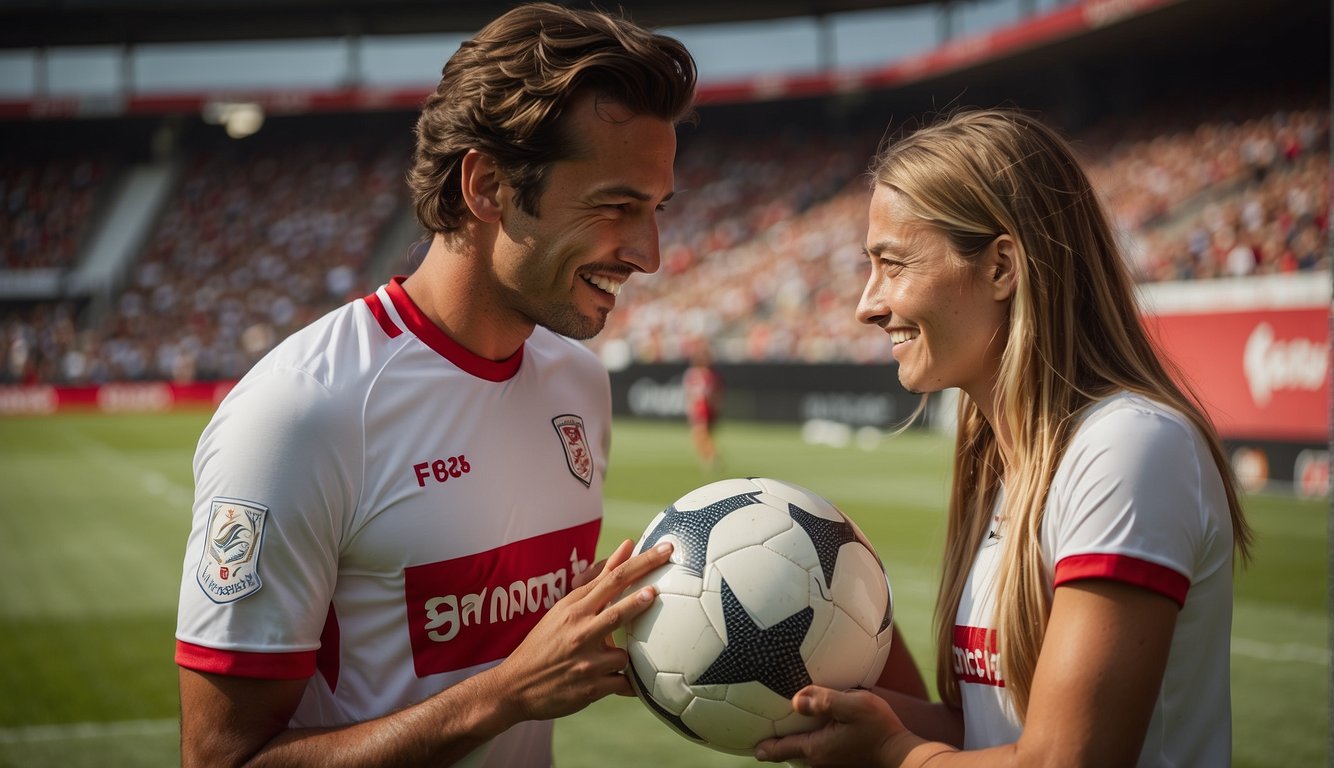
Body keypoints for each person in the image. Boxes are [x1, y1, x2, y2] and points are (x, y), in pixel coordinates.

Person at [173, 5, 696, 767]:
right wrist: (504, 693)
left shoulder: (580, 384)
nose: (649, 254)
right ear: (488, 186)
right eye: (616, 206)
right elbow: (221, 759)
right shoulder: (301, 413)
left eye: (656, 211)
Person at [756, 108, 1253, 767]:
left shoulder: (1129, 448)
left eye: (892, 264)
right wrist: (767, 670)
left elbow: (1064, 760)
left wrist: (895, 756)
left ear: (1001, 268)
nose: (868, 304)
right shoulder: (1000, 460)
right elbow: (984, 736)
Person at [682, 339, 723, 470]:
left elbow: (710, 393)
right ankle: (708, 458)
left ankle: (712, 457)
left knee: (700, 434)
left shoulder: (706, 375)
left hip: (702, 405)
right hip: (702, 405)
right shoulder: (700, 374)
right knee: (702, 434)